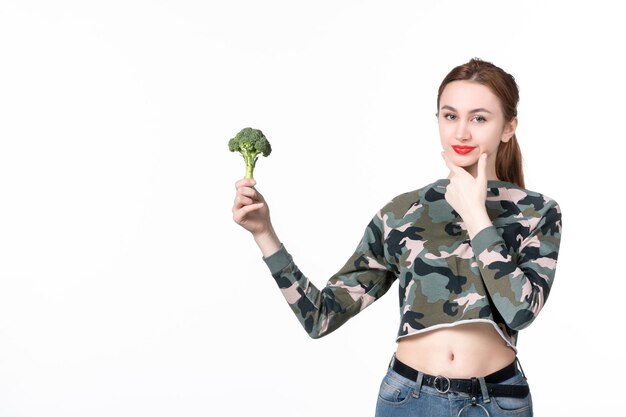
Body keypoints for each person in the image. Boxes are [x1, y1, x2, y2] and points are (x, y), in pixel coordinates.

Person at [232, 58, 562, 417]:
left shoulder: (538, 212)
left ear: (508, 127)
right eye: (450, 116)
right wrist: (264, 234)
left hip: (497, 401)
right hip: (409, 400)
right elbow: (321, 317)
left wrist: (476, 214)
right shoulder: (403, 212)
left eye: (479, 118)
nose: (461, 133)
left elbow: (520, 313)